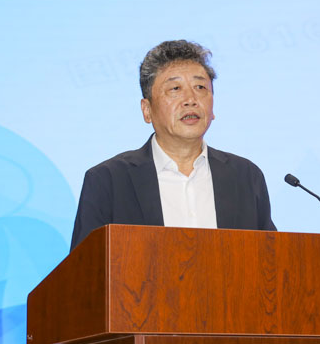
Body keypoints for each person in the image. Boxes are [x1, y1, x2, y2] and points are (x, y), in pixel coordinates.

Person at [70, 40, 276, 250]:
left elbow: (270, 260)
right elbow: (86, 267)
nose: (191, 99)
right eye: (175, 88)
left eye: (200, 87)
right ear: (147, 110)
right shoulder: (109, 180)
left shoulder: (245, 176)